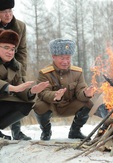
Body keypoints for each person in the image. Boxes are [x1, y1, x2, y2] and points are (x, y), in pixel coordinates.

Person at [32, 38, 95, 141]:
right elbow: (43, 94)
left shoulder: (77, 72)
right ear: (53, 57)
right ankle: (46, 131)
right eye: (62, 58)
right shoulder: (44, 73)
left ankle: (75, 131)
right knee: (39, 106)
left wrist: (86, 93)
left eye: (68, 58)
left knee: (88, 103)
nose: (65, 62)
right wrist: (55, 96)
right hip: (51, 106)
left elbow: (80, 91)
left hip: (68, 106)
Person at [0, 29, 49, 140]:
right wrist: (12, 88)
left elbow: (20, 86)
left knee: (26, 103)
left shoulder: (16, 66)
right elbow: (15, 87)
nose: (10, 52)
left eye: (13, 49)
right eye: (6, 48)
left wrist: (32, 91)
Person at [0, 0, 31, 140]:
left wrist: (21, 71)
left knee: (18, 93)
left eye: (10, 11)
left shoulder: (20, 26)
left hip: (13, 65)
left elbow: (22, 51)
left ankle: (16, 131)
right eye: (4, 12)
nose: (8, 15)